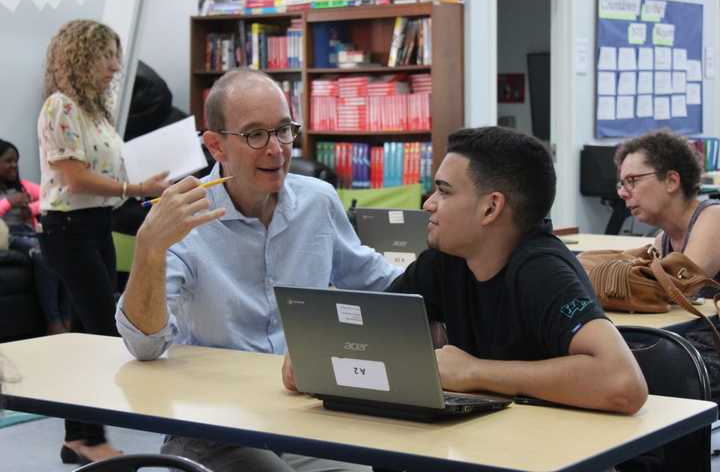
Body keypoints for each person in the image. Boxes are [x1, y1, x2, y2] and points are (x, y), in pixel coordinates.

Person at [116, 68, 401, 471]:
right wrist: (149, 248)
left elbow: (376, 281)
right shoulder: (182, 221)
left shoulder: (317, 201)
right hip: (213, 424)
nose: (277, 149)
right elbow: (144, 345)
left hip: (303, 416)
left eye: (283, 130)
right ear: (216, 146)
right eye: (255, 135)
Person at [284, 126, 648, 416]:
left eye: (443, 191)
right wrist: (316, 356)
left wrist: (477, 372)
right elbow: (378, 329)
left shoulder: (541, 270)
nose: (428, 204)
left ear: (491, 208)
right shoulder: (446, 260)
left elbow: (623, 383)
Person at [37, 20, 170, 465]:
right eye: (108, 56)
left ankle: (80, 437)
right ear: (82, 57)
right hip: (68, 229)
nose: (116, 66)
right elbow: (74, 178)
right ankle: (90, 438)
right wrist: (133, 188)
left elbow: (104, 176)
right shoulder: (60, 107)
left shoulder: (93, 111)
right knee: (97, 333)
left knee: (84, 335)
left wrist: (140, 188)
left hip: (94, 224)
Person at [615, 130, 720, 281]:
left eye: (632, 180)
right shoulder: (662, 240)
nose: (622, 193)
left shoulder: (714, 219)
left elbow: (679, 287)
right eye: (622, 184)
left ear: (671, 181)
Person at [0, 139, 71, 334]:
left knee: (62, 250)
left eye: (16, 161)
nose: (14, 165)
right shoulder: (11, 195)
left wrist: (29, 210)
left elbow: (53, 198)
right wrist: (8, 202)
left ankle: (67, 318)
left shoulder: (22, 187)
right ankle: (53, 321)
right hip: (8, 236)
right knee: (42, 254)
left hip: (29, 232)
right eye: (8, 161)